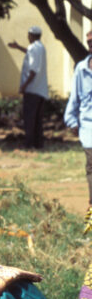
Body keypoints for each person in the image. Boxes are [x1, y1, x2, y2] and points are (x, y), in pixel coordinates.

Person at [64, 26, 92, 233]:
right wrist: (71, 120)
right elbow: (75, 97)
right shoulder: (81, 68)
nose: (91, 45)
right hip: (88, 126)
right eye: (89, 42)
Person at [19, 25, 48, 149]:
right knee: (37, 120)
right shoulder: (40, 48)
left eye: (29, 35)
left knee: (30, 118)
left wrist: (24, 86)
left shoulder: (33, 47)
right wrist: (18, 47)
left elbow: (33, 70)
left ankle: (29, 144)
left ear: (32, 35)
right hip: (41, 90)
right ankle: (38, 144)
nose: (28, 37)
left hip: (32, 89)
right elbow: (31, 54)